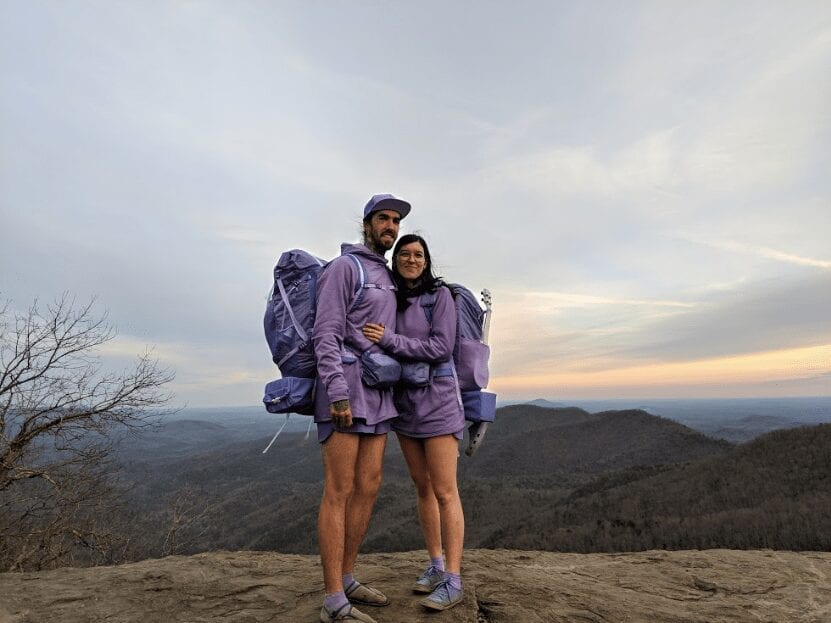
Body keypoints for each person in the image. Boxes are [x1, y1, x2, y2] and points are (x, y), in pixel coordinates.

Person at [313, 194, 410, 623]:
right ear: (366, 224)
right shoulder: (343, 269)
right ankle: (333, 599)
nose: (390, 226)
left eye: (395, 220)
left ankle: (348, 575)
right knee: (339, 489)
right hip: (346, 390)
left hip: (379, 392)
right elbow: (326, 332)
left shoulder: (386, 276)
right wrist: (336, 391)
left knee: (368, 485)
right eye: (383, 219)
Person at [362, 234, 466, 612]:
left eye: (418, 255)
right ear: (396, 260)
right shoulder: (392, 298)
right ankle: (436, 565)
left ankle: (454, 579)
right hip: (405, 403)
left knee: (444, 490)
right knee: (421, 487)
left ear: (427, 261)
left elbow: (441, 347)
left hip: (438, 402)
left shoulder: (440, 297)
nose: (411, 259)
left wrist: (391, 341)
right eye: (404, 254)